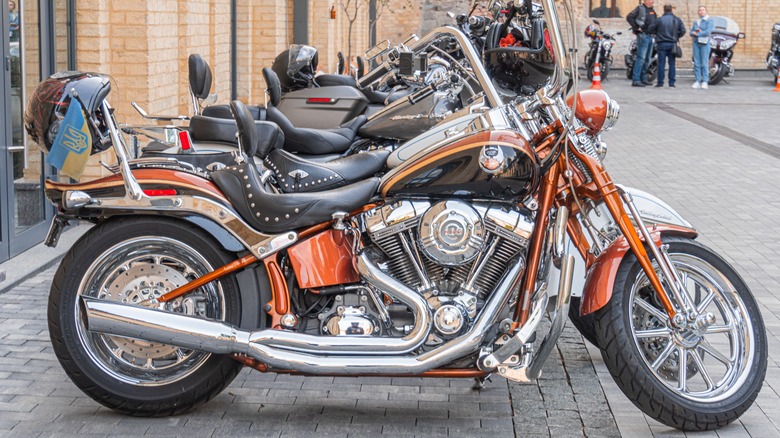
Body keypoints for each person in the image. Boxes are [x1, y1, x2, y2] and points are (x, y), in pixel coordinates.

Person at [649, 4, 685, 87]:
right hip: (672, 44)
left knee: (661, 63)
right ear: (671, 10)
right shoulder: (677, 19)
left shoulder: (659, 20)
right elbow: (683, 30)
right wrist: (676, 36)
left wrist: (657, 33)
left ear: (664, 10)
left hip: (661, 43)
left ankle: (660, 82)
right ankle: (671, 83)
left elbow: (650, 29)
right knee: (672, 63)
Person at [627, 0, 658, 87]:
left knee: (648, 59)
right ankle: (636, 80)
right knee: (641, 58)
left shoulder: (652, 9)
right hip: (643, 36)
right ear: (646, 1)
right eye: (651, 0)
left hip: (651, 37)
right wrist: (637, 28)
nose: (653, 1)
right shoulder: (640, 8)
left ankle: (643, 79)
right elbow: (629, 17)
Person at [690, 5, 713, 89]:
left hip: (704, 43)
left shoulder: (709, 20)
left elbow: (708, 32)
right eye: (700, 10)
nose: (701, 11)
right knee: (696, 62)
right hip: (696, 43)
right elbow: (691, 32)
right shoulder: (696, 21)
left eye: (703, 10)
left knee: (704, 62)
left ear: (706, 11)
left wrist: (697, 33)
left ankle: (705, 81)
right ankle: (697, 81)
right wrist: (694, 33)